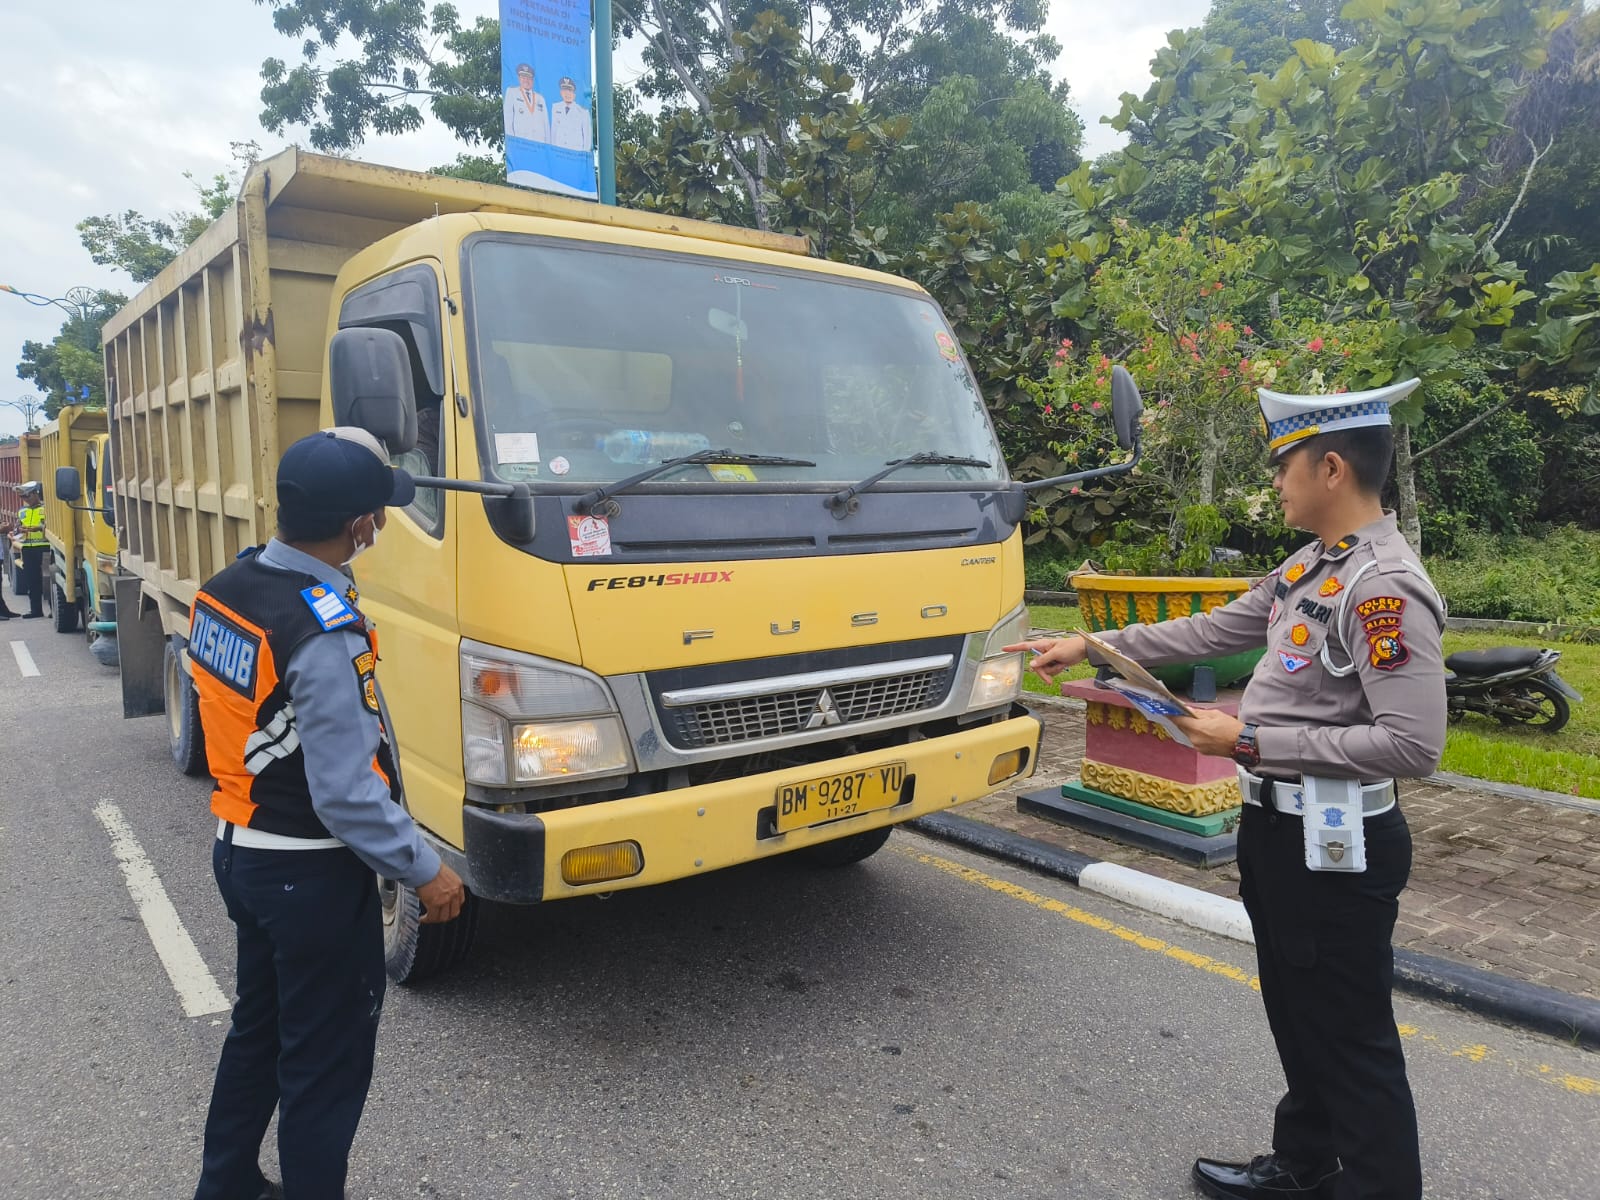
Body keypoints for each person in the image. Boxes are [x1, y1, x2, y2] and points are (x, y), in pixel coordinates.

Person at [1009, 381, 1445, 1200]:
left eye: (1284, 466)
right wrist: (1095, 644)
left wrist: (1246, 738)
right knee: (1297, 1010)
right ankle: (1307, 1160)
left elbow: (1413, 744)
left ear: (1331, 467)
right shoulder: (1313, 565)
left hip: (1338, 846)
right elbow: (1215, 630)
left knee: (1351, 1034)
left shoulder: (1382, 588)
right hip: (1279, 835)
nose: (1276, 483)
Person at [191, 427, 466, 1200]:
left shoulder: (230, 585)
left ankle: (226, 1185)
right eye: (378, 513)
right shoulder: (321, 629)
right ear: (358, 527)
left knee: (258, 1036)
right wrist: (425, 870)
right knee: (324, 1068)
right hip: (306, 876)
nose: (379, 525)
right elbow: (344, 794)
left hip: (240, 852)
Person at [15, 481, 47, 618]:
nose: (25, 499)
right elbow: (17, 528)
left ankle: (53, 610)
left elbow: (50, 527)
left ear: (36, 494)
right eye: (22, 497)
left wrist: (38, 528)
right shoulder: (22, 511)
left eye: (27, 496)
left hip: (44, 547)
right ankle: (36, 611)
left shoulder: (46, 509)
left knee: (47, 580)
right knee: (32, 581)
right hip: (28, 548)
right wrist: (19, 530)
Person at [503, 61, 550, 143]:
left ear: (533, 80)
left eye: (529, 78)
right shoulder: (512, 93)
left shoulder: (540, 98)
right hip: (521, 143)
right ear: (519, 78)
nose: (526, 80)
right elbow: (508, 120)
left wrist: (548, 146)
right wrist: (512, 142)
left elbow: (546, 125)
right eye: (523, 77)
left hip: (539, 145)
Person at [550, 76, 592, 151]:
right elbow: (553, 132)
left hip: (575, 155)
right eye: (565, 91)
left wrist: (583, 155)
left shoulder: (583, 112)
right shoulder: (555, 108)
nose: (567, 94)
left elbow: (587, 138)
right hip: (559, 153)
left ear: (574, 94)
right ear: (561, 93)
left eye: (570, 91)